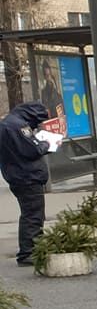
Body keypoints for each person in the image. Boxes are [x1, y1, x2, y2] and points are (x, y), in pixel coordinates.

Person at [0, 102, 54, 265]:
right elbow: (32, 150)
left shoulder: (10, 123)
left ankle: (34, 248)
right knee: (33, 215)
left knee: (32, 214)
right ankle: (28, 252)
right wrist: (47, 143)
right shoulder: (18, 126)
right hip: (27, 177)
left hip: (19, 175)